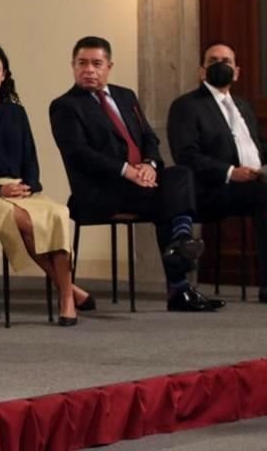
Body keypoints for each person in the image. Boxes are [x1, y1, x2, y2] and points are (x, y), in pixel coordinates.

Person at [49, 36, 225, 312]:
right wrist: (127, 171)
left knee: (179, 174)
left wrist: (149, 165)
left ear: (109, 66)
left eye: (97, 63)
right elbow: (79, 154)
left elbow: (149, 139)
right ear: (73, 66)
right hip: (100, 191)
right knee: (170, 200)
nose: (89, 70)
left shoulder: (125, 96)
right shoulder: (65, 106)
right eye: (82, 63)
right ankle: (179, 283)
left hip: (139, 183)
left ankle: (180, 240)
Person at [0, 43, 94, 326]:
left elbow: (30, 160)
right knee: (22, 219)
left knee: (58, 213)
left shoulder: (16, 113)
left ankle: (67, 292)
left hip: (20, 190)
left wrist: (29, 185)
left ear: (4, 75)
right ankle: (67, 293)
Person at [167, 42, 267, 303]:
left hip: (253, 184)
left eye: (226, 61)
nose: (220, 65)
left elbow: (256, 149)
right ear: (202, 71)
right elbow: (186, 156)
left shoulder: (243, 106)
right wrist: (231, 172)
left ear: (237, 72)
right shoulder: (186, 106)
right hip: (210, 190)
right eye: (213, 61)